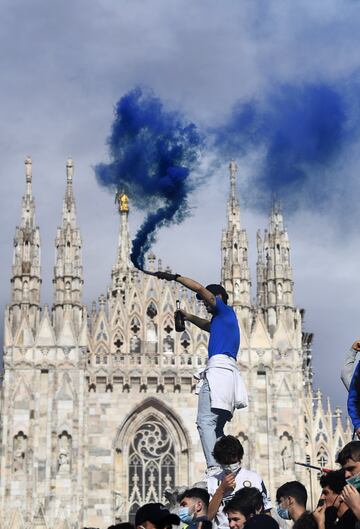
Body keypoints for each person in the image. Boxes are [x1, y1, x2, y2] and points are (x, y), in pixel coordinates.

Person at [154, 272, 247, 472]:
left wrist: (175, 277)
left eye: (207, 301)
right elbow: (207, 325)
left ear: (218, 298)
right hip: (230, 379)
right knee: (216, 428)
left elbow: (198, 288)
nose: (204, 305)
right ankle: (230, 465)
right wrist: (187, 317)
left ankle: (214, 466)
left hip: (218, 374)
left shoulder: (224, 309)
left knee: (204, 421)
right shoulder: (224, 320)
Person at [207, 436, 271, 529]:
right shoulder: (212, 481)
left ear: (239, 457)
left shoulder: (254, 478)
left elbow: (266, 511)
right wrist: (221, 489)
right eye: (225, 462)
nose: (229, 466)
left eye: (232, 461)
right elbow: (208, 516)